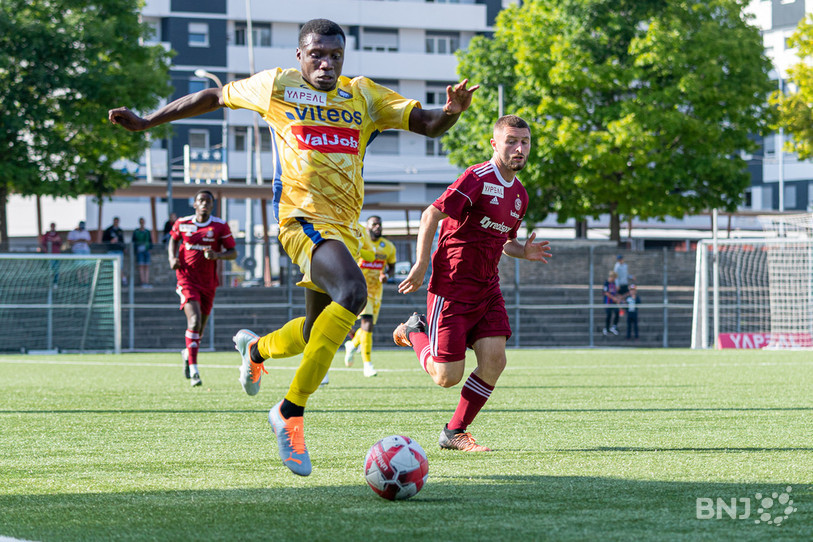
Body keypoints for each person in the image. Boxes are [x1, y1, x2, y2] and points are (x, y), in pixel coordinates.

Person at [109, 18, 478, 476]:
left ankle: (257, 351)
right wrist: (149, 121)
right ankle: (289, 412)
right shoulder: (276, 85)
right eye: (317, 54)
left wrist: (452, 110)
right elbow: (214, 95)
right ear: (300, 55)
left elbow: (427, 124)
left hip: (344, 228)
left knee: (313, 331)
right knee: (353, 294)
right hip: (299, 221)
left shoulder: (362, 94)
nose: (326, 63)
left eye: (335, 56)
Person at [392, 115, 551, 452]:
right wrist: (421, 264)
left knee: (495, 361)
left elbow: (504, 241)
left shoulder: (520, 195)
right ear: (495, 144)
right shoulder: (476, 178)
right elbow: (430, 214)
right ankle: (412, 332)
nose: (519, 148)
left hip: (488, 289)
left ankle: (454, 432)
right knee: (446, 377)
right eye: (511, 141)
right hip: (452, 287)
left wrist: (524, 251)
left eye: (524, 142)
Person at [168, 190, 237, 387]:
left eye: (208, 201)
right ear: (195, 204)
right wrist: (172, 258)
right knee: (195, 320)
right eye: (201, 200)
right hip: (186, 279)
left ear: (212, 205)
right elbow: (173, 239)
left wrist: (217, 255)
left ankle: (187, 353)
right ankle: (195, 370)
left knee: (200, 328)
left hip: (208, 282)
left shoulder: (219, 226)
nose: (204, 204)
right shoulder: (183, 223)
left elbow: (232, 252)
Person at [342, 215, 397, 378]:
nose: (377, 227)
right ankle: (367, 364)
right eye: (374, 224)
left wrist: (386, 276)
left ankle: (352, 345)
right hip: (360, 288)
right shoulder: (361, 243)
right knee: (367, 324)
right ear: (367, 227)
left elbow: (391, 267)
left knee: (368, 327)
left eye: (379, 224)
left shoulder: (388, 247)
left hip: (376, 292)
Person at [132, 217, 153, 287]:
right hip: (139, 251)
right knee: (141, 266)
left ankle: (146, 282)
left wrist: (150, 249)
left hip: (146, 250)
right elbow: (133, 242)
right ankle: (142, 282)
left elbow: (150, 241)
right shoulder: (136, 232)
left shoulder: (147, 232)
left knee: (146, 266)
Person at [40, 222, 63, 287]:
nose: (53, 228)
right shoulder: (47, 235)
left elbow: (60, 242)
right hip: (50, 255)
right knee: (50, 269)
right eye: (52, 226)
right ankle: (50, 282)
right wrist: (46, 252)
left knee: (56, 269)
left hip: (57, 255)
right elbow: (43, 243)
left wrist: (55, 240)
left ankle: (55, 282)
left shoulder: (57, 235)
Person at [602, 270, 620, 336]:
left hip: (613, 303)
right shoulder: (606, 283)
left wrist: (617, 298)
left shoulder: (613, 283)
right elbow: (606, 293)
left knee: (617, 312)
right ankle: (606, 328)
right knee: (609, 315)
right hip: (608, 302)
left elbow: (615, 292)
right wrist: (613, 298)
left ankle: (614, 326)